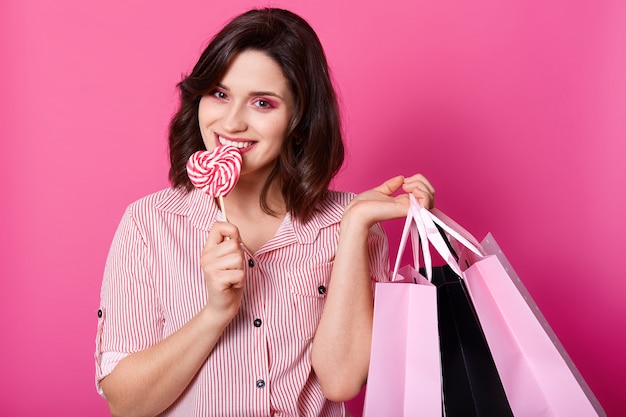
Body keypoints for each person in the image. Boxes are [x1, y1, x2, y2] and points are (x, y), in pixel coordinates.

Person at [95, 7, 435, 417]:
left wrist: (354, 228)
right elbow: (127, 404)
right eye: (219, 94)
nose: (231, 122)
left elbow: (341, 381)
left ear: (298, 119)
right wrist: (214, 314)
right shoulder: (150, 224)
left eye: (262, 103)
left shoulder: (350, 224)